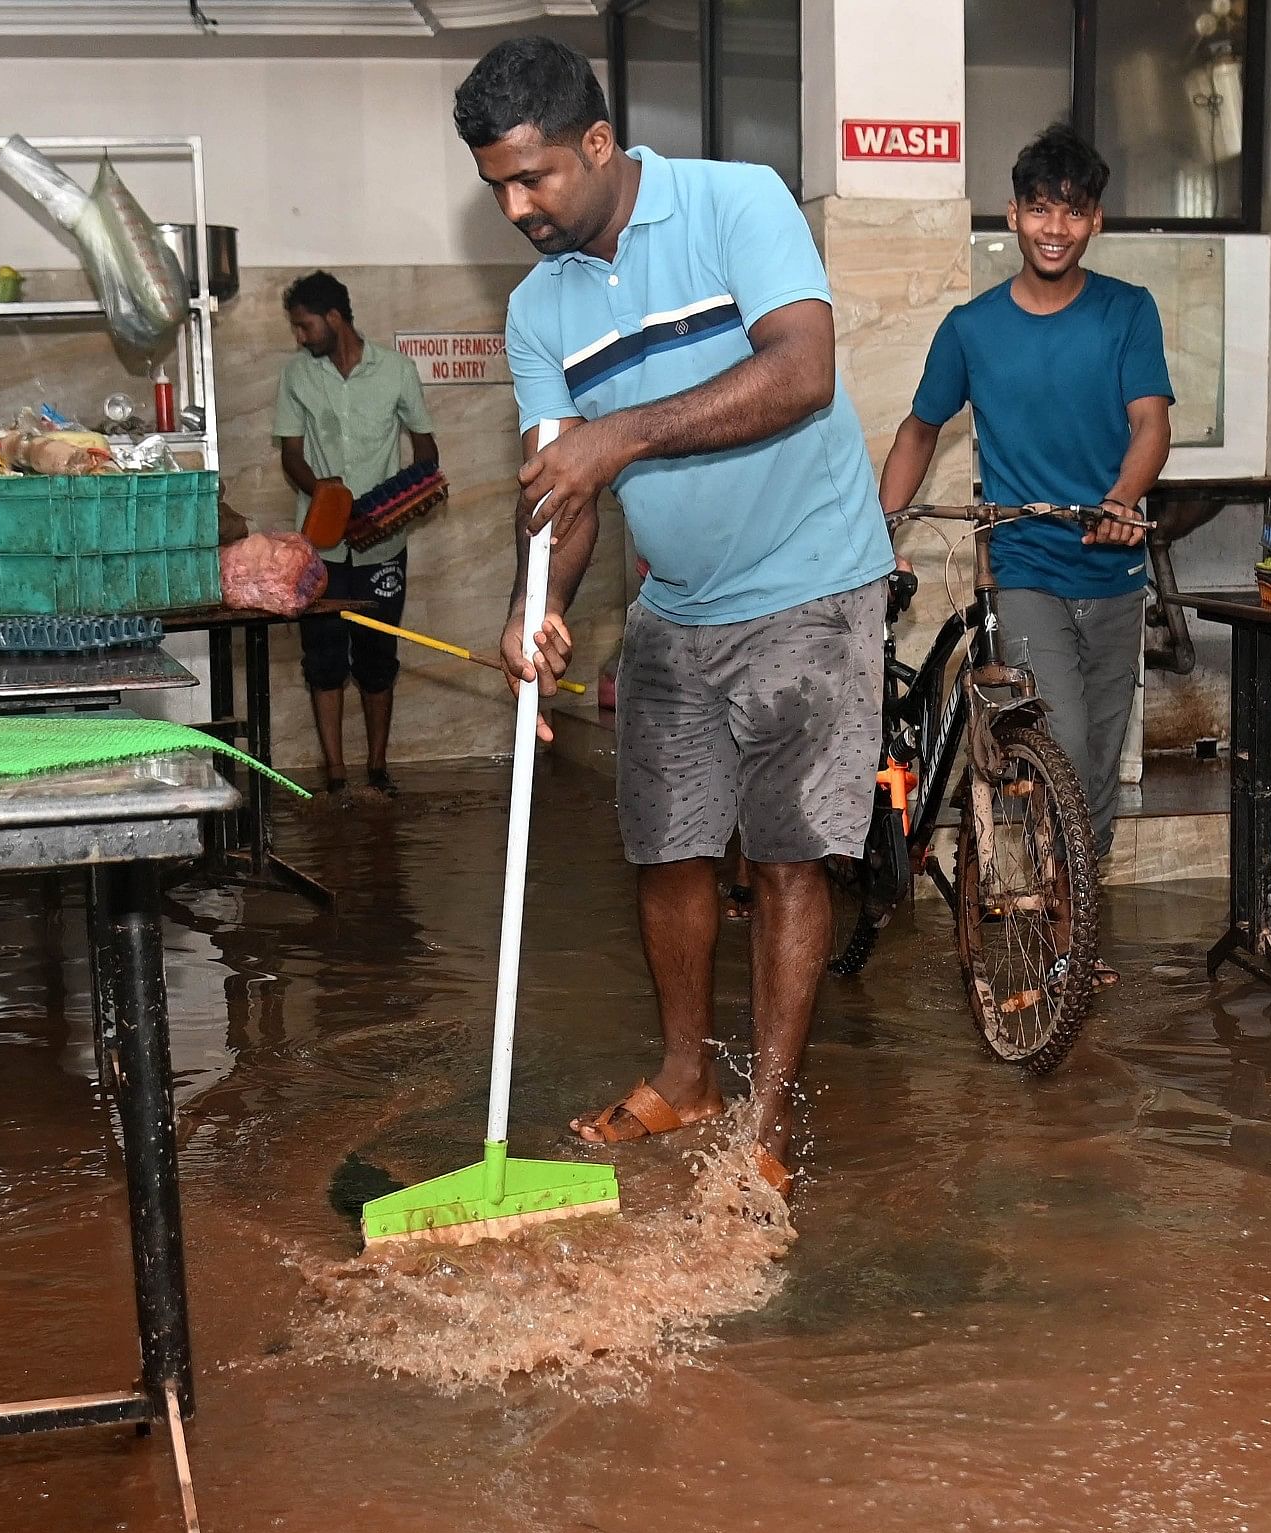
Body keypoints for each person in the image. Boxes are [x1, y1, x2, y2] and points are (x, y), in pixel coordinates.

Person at [457, 34, 896, 1200]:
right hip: (678, 605)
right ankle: (686, 1075)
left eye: (534, 175)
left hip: (813, 581)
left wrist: (624, 433)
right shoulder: (540, 311)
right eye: (497, 182)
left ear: (598, 143)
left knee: (795, 854)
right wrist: (533, 604)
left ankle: (767, 1116)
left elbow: (802, 369)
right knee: (665, 844)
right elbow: (561, 491)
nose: (516, 204)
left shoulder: (734, 203)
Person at [874, 122, 1174, 868]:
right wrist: (881, 529)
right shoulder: (972, 330)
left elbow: (1151, 423)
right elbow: (919, 433)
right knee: (1064, 745)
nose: (1055, 228)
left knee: (1099, 760)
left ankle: (1075, 916)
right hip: (1026, 568)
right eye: (1040, 209)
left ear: (1095, 221)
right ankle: (1059, 910)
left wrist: (1122, 498)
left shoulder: (1128, 311)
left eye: (1073, 211)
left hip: (1116, 575)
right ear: (1012, 215)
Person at [273, 270, 440, 793]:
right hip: (321, 545)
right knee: (323, 658)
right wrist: (327, 495)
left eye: (304, 327)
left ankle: (377, 768)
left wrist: (396, 506)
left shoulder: (396, 371)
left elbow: (427, 451)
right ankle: (336, 773)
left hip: (382, 545)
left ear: (334, 318)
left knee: (377, 656)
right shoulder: (297, 376)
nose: (300, 338)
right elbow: (291, 455)